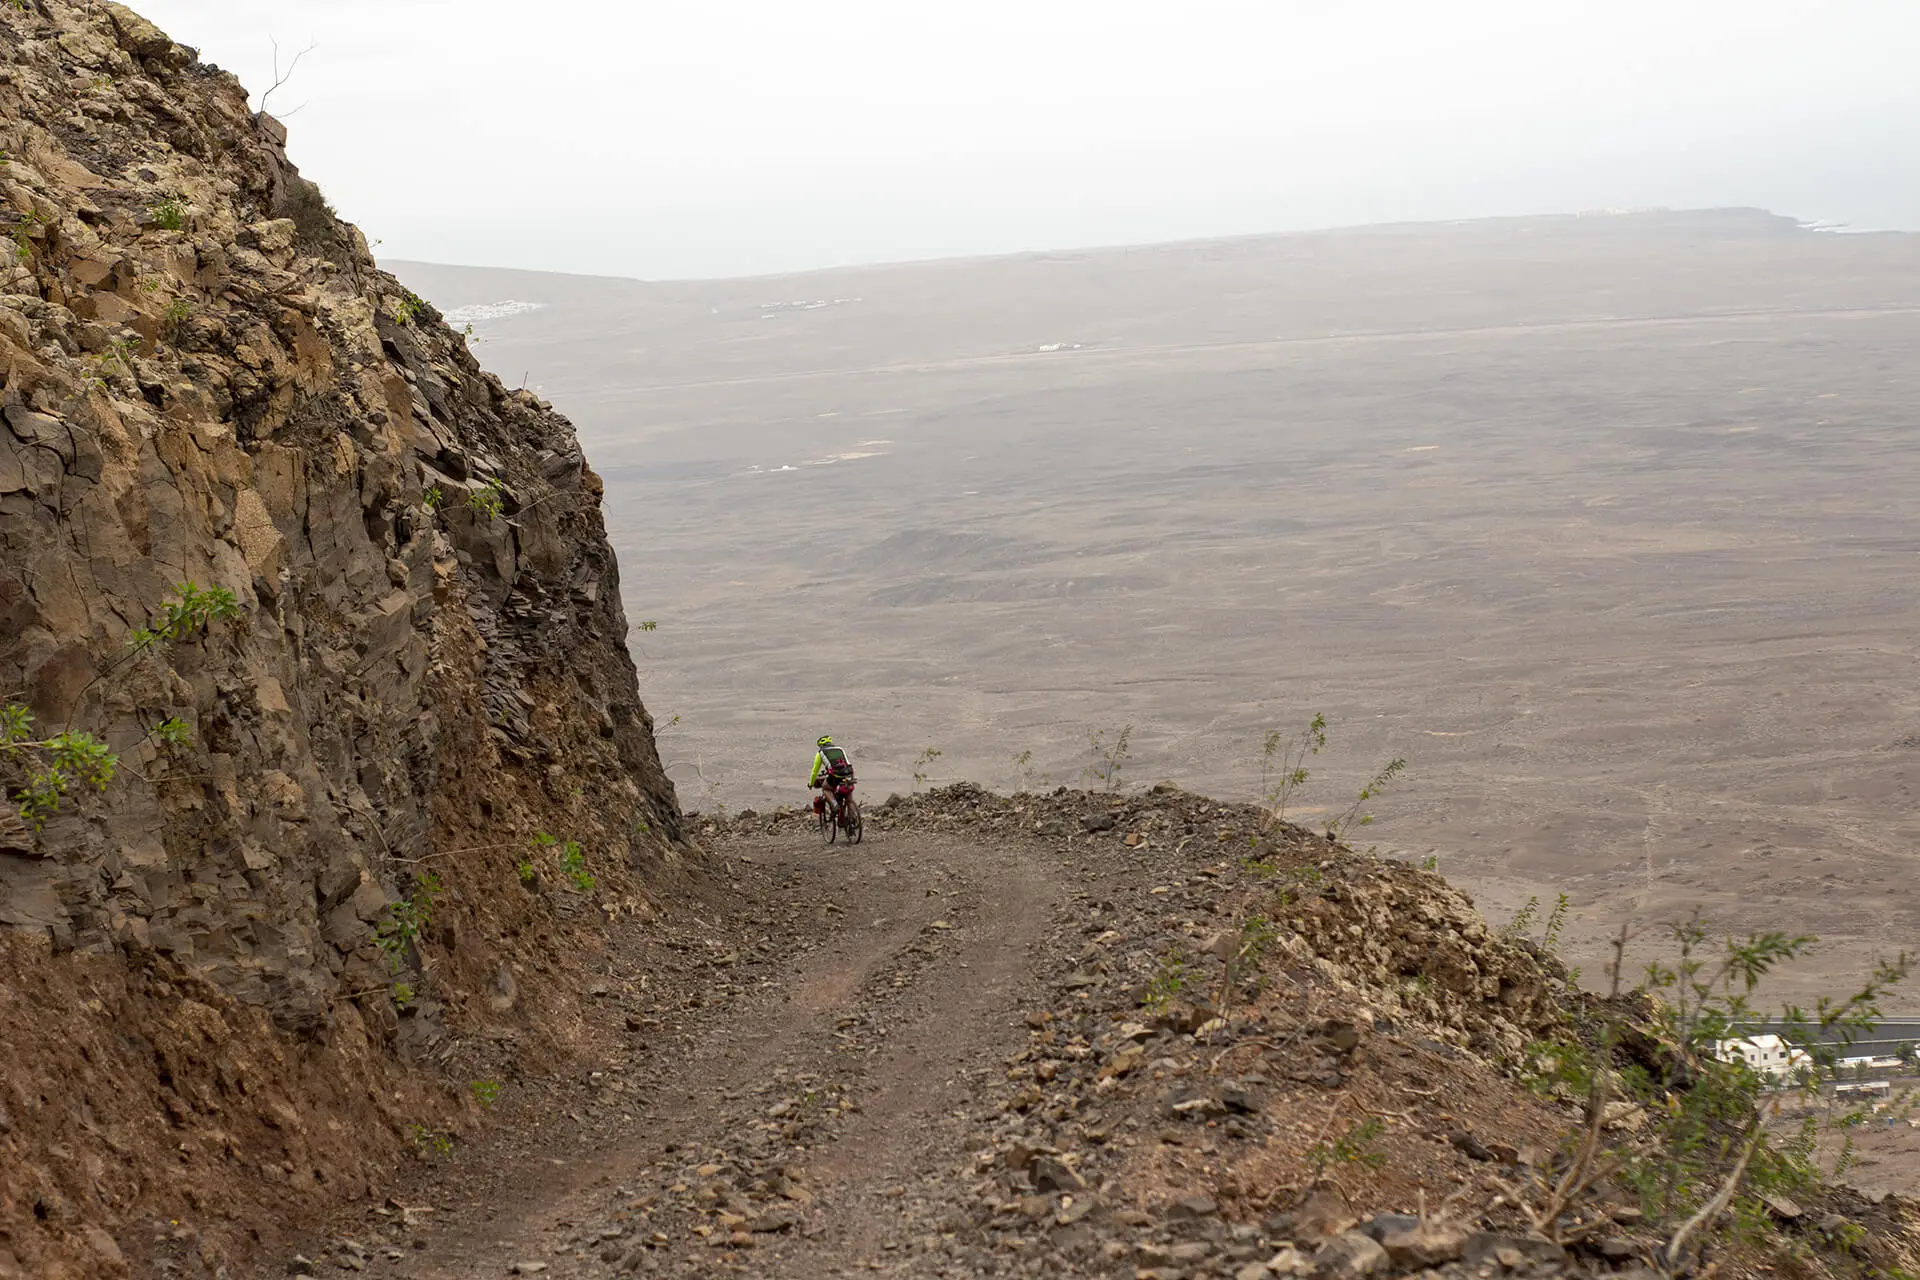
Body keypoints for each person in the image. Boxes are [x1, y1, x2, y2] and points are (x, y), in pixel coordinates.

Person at [809, 735, 855, 817]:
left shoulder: (821, 753)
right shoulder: (840, 749)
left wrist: (811, 783)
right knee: (848, 796)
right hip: (849, 773)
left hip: (836, 774)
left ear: (820, 745)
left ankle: (834, 804)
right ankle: (853, 819)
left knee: (826, 788)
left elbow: (814, 771)